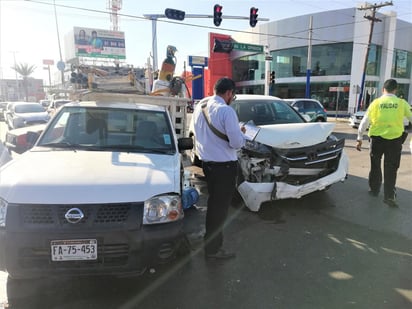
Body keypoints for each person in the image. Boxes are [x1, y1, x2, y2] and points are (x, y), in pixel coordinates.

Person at [193, 77, 246, 259]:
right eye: (233, 95)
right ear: (229, 93)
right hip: (224, 167)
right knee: (219, 209)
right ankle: (213, 250)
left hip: (207, 165)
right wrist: (241, 134)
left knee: (214, 204)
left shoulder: (201, 106)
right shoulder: (226, 111)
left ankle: (210, 243)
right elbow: (237, 143)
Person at [356, 79, 412, 207]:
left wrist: (359, 138)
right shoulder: (401, 103)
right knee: (391, 168)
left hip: (377, 140)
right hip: (395, 140)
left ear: (383, 90)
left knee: (375, 165)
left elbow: (364, 122)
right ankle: (389, 196)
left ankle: (374, 190)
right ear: (395, 90)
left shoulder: (376, 103)